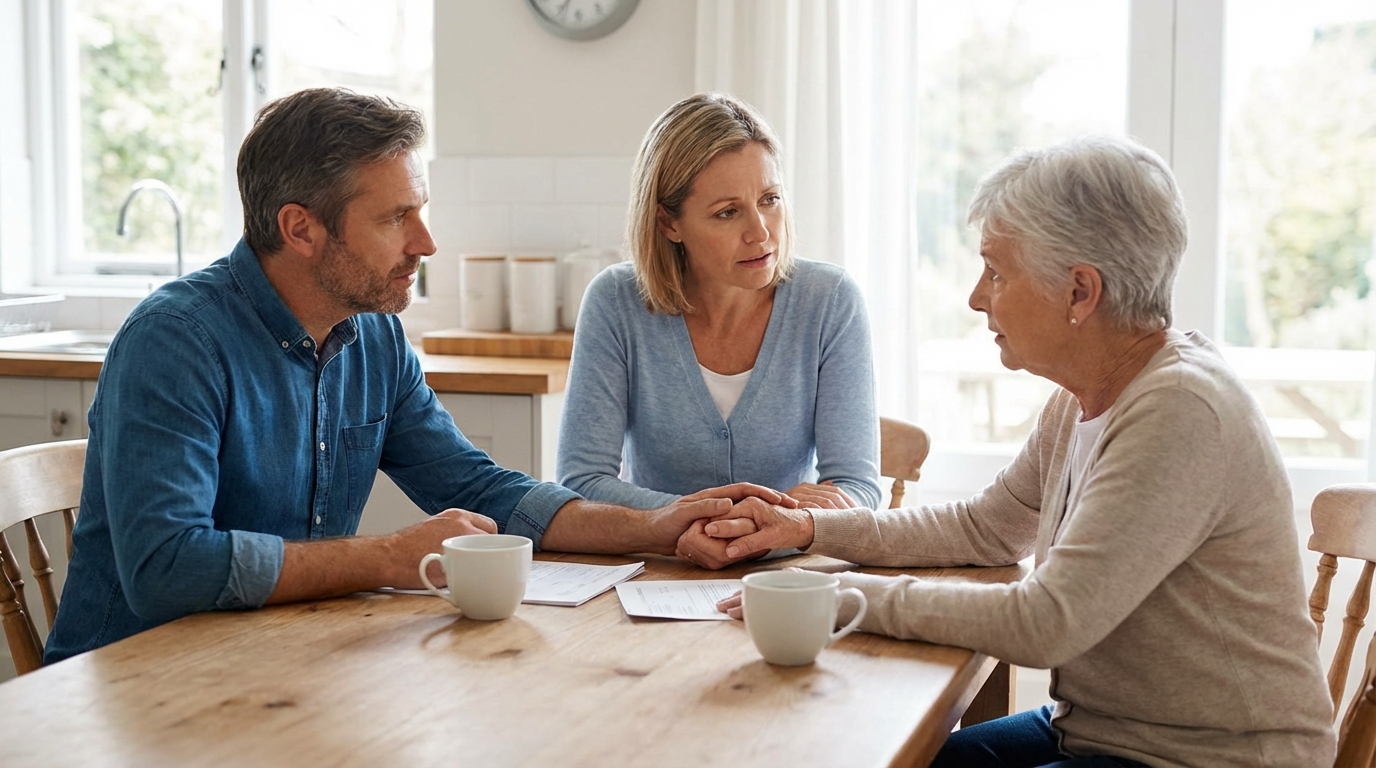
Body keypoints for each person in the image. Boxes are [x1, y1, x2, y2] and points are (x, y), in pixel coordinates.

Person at [44, 88, 787, 664]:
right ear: (300, 229)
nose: (426, 242)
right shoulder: (176, 342)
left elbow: (480, 489)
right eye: (397, 218)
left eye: (421, 209)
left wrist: (653, 525)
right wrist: (388, 558)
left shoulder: (373, 337)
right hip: (127, 690)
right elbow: (166, 568)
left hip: (274, 662)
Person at [710, 135, 1336, 766]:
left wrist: (841, 601)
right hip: (1107, 731)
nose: (978, 297)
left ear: (1079, 292)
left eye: (997, 271)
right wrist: (810, 526)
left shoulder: (1180, 411)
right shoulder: (1084, 395)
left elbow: (1046, 621)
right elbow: (985, 529)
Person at [557, 93, 880, 568]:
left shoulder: (830, 300)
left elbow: (856, 489)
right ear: (669, 223)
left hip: (787, 577)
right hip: (658, 575)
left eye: (769, 200)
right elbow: (579, 483)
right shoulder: (616, 302)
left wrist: (761, 530)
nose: (762, 233)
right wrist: (701, 523)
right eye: (728, 212)